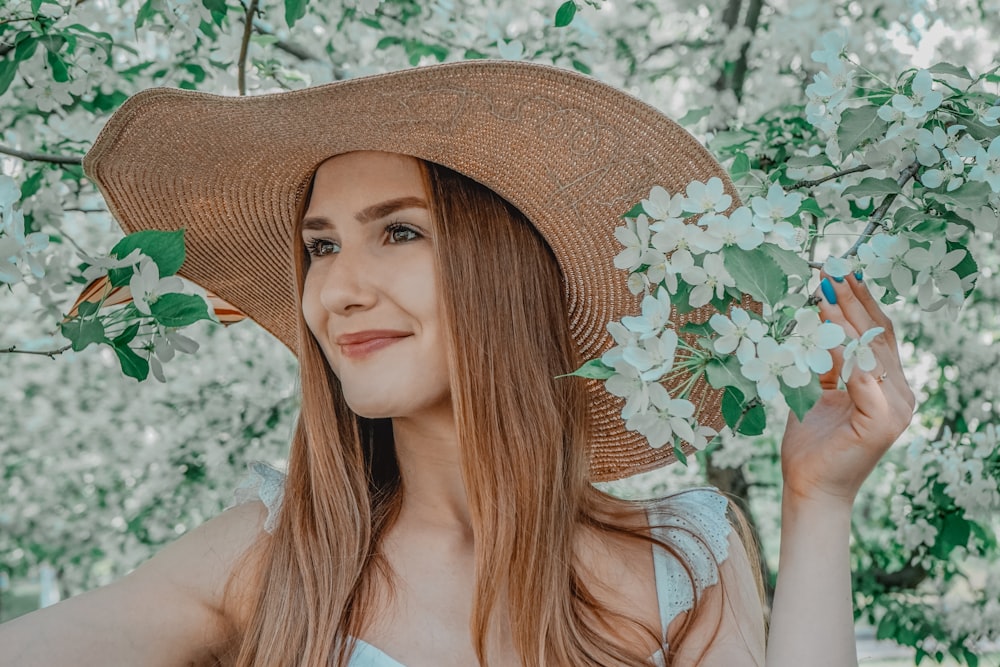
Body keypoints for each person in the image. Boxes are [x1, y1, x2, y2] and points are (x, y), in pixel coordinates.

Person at [0, 61, 914, 666]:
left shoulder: (681, 561)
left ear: (502, 272)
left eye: (397, 231)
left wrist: (819, 500)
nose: (338, 290)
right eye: (319, 247)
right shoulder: (275, 556)